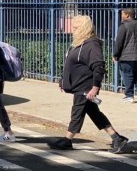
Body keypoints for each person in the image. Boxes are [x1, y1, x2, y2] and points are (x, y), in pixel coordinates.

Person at [48, 15, 129, 153]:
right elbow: (73, 65)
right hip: (80, 85)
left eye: (75, 28)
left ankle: (67, 140)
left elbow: (98, 66)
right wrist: (64, 80)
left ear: (83, 29)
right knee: (93, 112)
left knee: (77, 112)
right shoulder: (81, 44)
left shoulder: (92, 45)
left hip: (85, 86)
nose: (73, 30)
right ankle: (117, 138)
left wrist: (95, 87)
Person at [113, 8, 137, 103]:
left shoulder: (124, 26)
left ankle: (129, 95)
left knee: (127, 74)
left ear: (127, 15)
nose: (121, 16)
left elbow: (119, 42)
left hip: (126, 55)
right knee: (136, 72)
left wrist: (115, 54)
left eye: (122, 14)